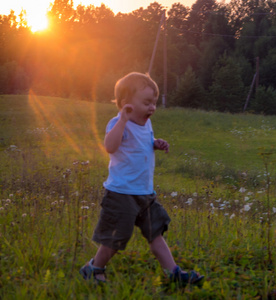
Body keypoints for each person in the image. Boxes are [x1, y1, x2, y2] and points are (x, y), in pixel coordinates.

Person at [79, 72, 203, 286]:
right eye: (146, 103)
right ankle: (94, 268)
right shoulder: (119, 123)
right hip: (121, 194)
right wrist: (122, 119)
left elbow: (142, 142)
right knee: (115, 239)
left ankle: (173, 273)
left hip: (145, 195)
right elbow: (110, 146)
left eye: (154, 103)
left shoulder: (146, 125)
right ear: (126, 104)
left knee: (156, 234)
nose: (152, 108)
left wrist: (155, 143)